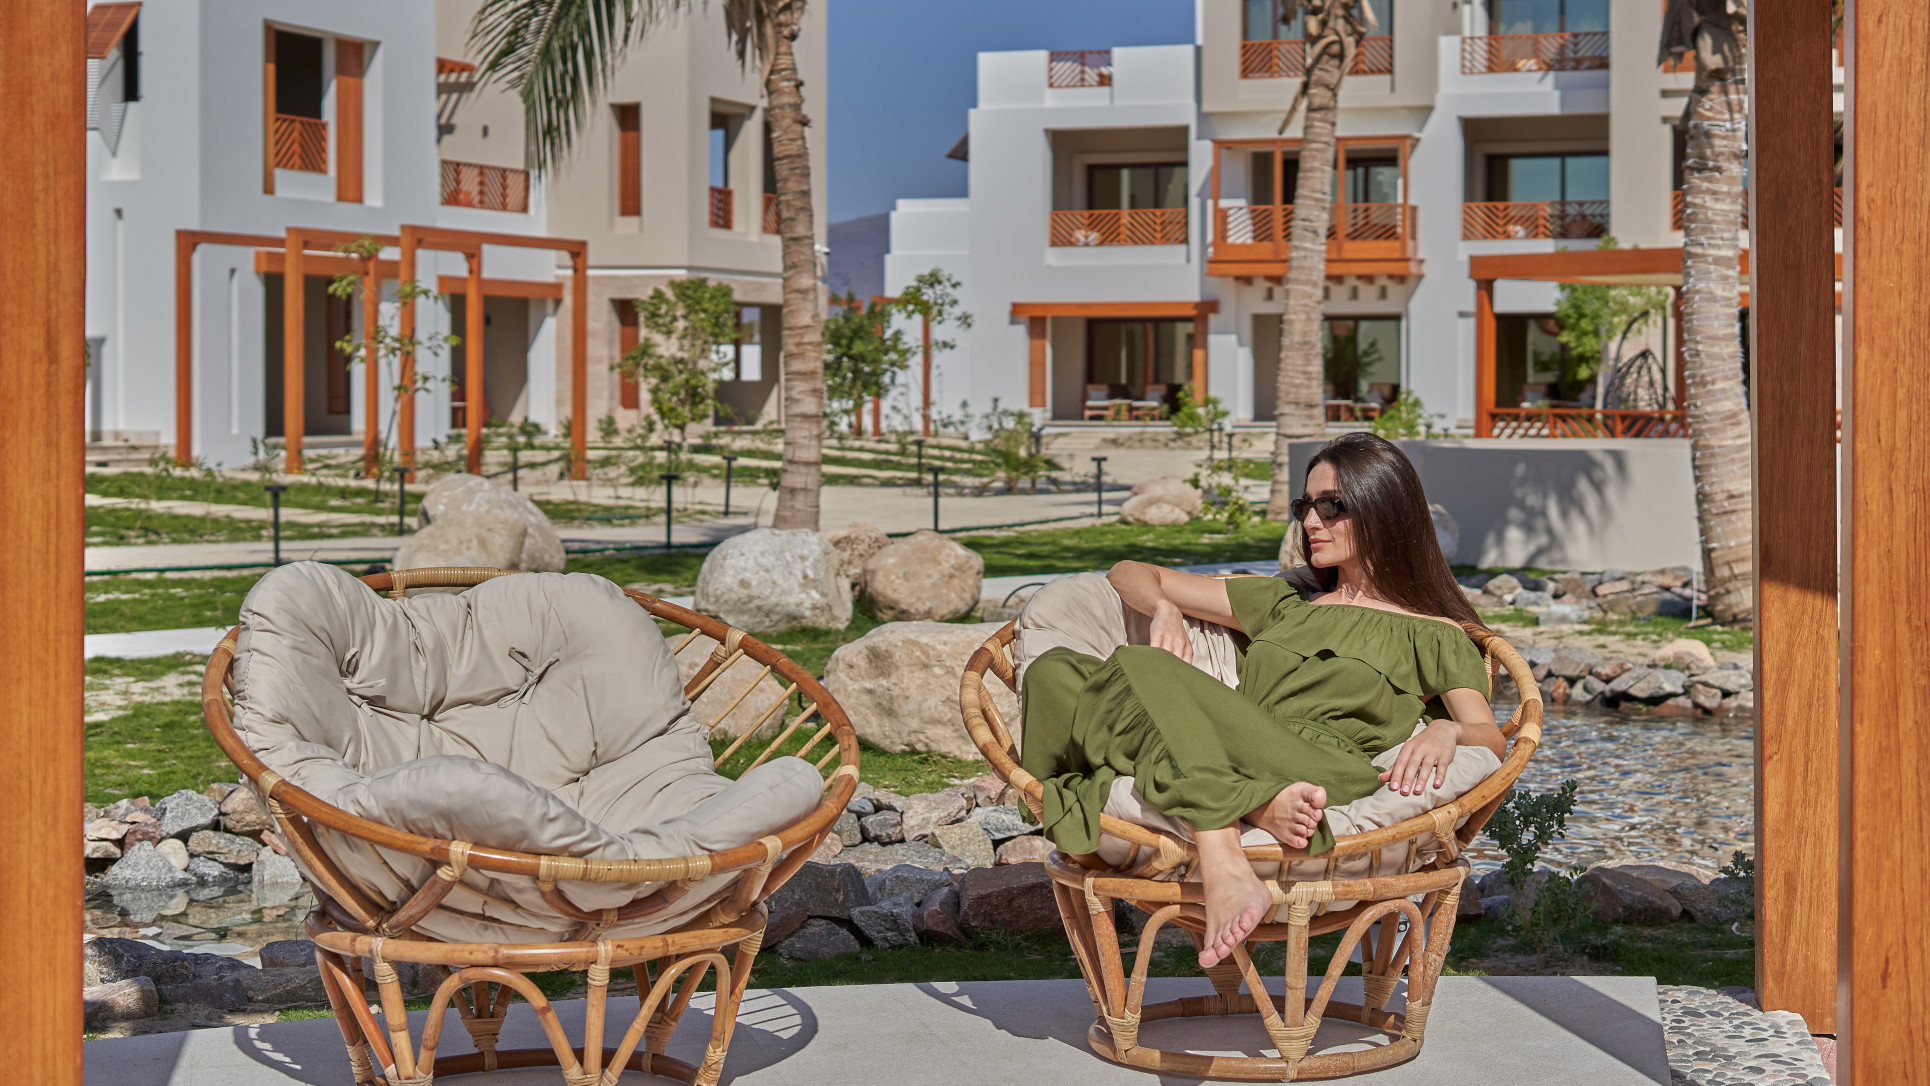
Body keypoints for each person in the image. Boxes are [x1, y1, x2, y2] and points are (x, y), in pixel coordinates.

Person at [1018, 433, 1507, 969]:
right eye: (1304, 506)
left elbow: (1490, 737)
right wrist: (1163, 608)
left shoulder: (1433, 634)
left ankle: (1221, 852)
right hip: (1238, 751)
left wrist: (1446, 729)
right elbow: (1128, 572)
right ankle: (1252, 805)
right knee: (1054, 672)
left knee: (1141, 665)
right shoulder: (1287, 601)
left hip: (1324, 773)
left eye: (1331, 506)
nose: (1310, 522)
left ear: (1383, 509)